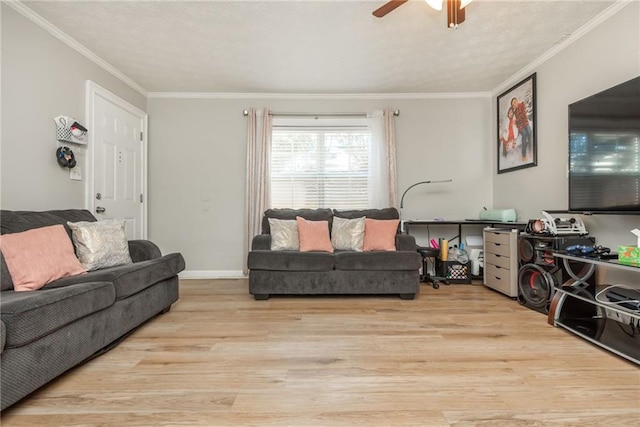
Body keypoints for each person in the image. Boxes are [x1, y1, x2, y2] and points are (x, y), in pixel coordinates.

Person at [511, 96, 532, 162]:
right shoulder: (514, 112)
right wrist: (517, 120)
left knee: (529, 132)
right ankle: (524, 155)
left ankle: (531, 150)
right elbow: (516, 120)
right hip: (520, 126)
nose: (514, 104)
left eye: (514, 102)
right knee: (524, 134)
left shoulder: (522, 104)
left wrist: (517, 120)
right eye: (513, 104)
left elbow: (523, 115)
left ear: (517, 101)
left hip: (525, 123)